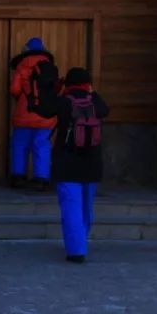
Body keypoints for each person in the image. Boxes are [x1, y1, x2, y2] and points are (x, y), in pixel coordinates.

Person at [36, 67, 109, 264]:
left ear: (68, 83)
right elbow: (105, 110)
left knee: (71, 208)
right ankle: (81, 241)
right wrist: (92, 92)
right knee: (86, 207)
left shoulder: (64, 102)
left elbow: (44, 109)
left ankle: (76, 250)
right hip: (92, 165)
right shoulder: (95, 102)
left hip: (67, 164)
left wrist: (54, 89)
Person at [8, 37, 58, 190]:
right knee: (42, 145)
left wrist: (22, 99)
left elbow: (14, 89)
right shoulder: (50, 66)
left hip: (25, 112)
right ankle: (41, 179)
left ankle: (18, 177)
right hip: (47, 114)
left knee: (20, 144)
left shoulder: (22, 66)